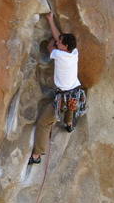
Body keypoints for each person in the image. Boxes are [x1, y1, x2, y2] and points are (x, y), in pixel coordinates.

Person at [28, 11, 81, 164]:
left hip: (63, 97)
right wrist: (51, 20)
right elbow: (60, 39)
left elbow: (52, 46)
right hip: (75, 91)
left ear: (63, 47)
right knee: (71, 106)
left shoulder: (58, 54)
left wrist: (52, 41)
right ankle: (69, 124)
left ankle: (37, 155)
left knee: (44, 123)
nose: (58, 42)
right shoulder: (73, 52)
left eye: (60, 42)